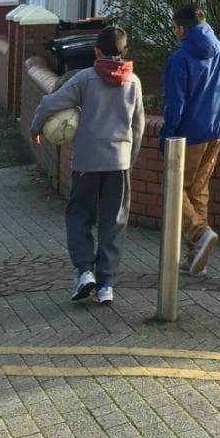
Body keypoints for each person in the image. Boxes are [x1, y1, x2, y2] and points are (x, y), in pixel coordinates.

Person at [30, 24, 144, 305]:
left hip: (87, 161)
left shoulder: (85, 79)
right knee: (113, 221)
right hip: (118, 161)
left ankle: (84, 271)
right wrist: (131, 159)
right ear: (125, 50)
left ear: (96, 51)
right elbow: (138, 126)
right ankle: (106, 283)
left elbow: (49, 103)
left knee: (79, 214)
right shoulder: (134, 82)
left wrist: (36, 128)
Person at [160, 4, 220, 277]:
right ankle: (196, 258)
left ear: (181, 28)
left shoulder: (180, 58)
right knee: (199, 191)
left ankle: (199, 233)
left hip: (188, 135)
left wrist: (166, 139)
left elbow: (175, 107)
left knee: (175, 188)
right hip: (217, 131)